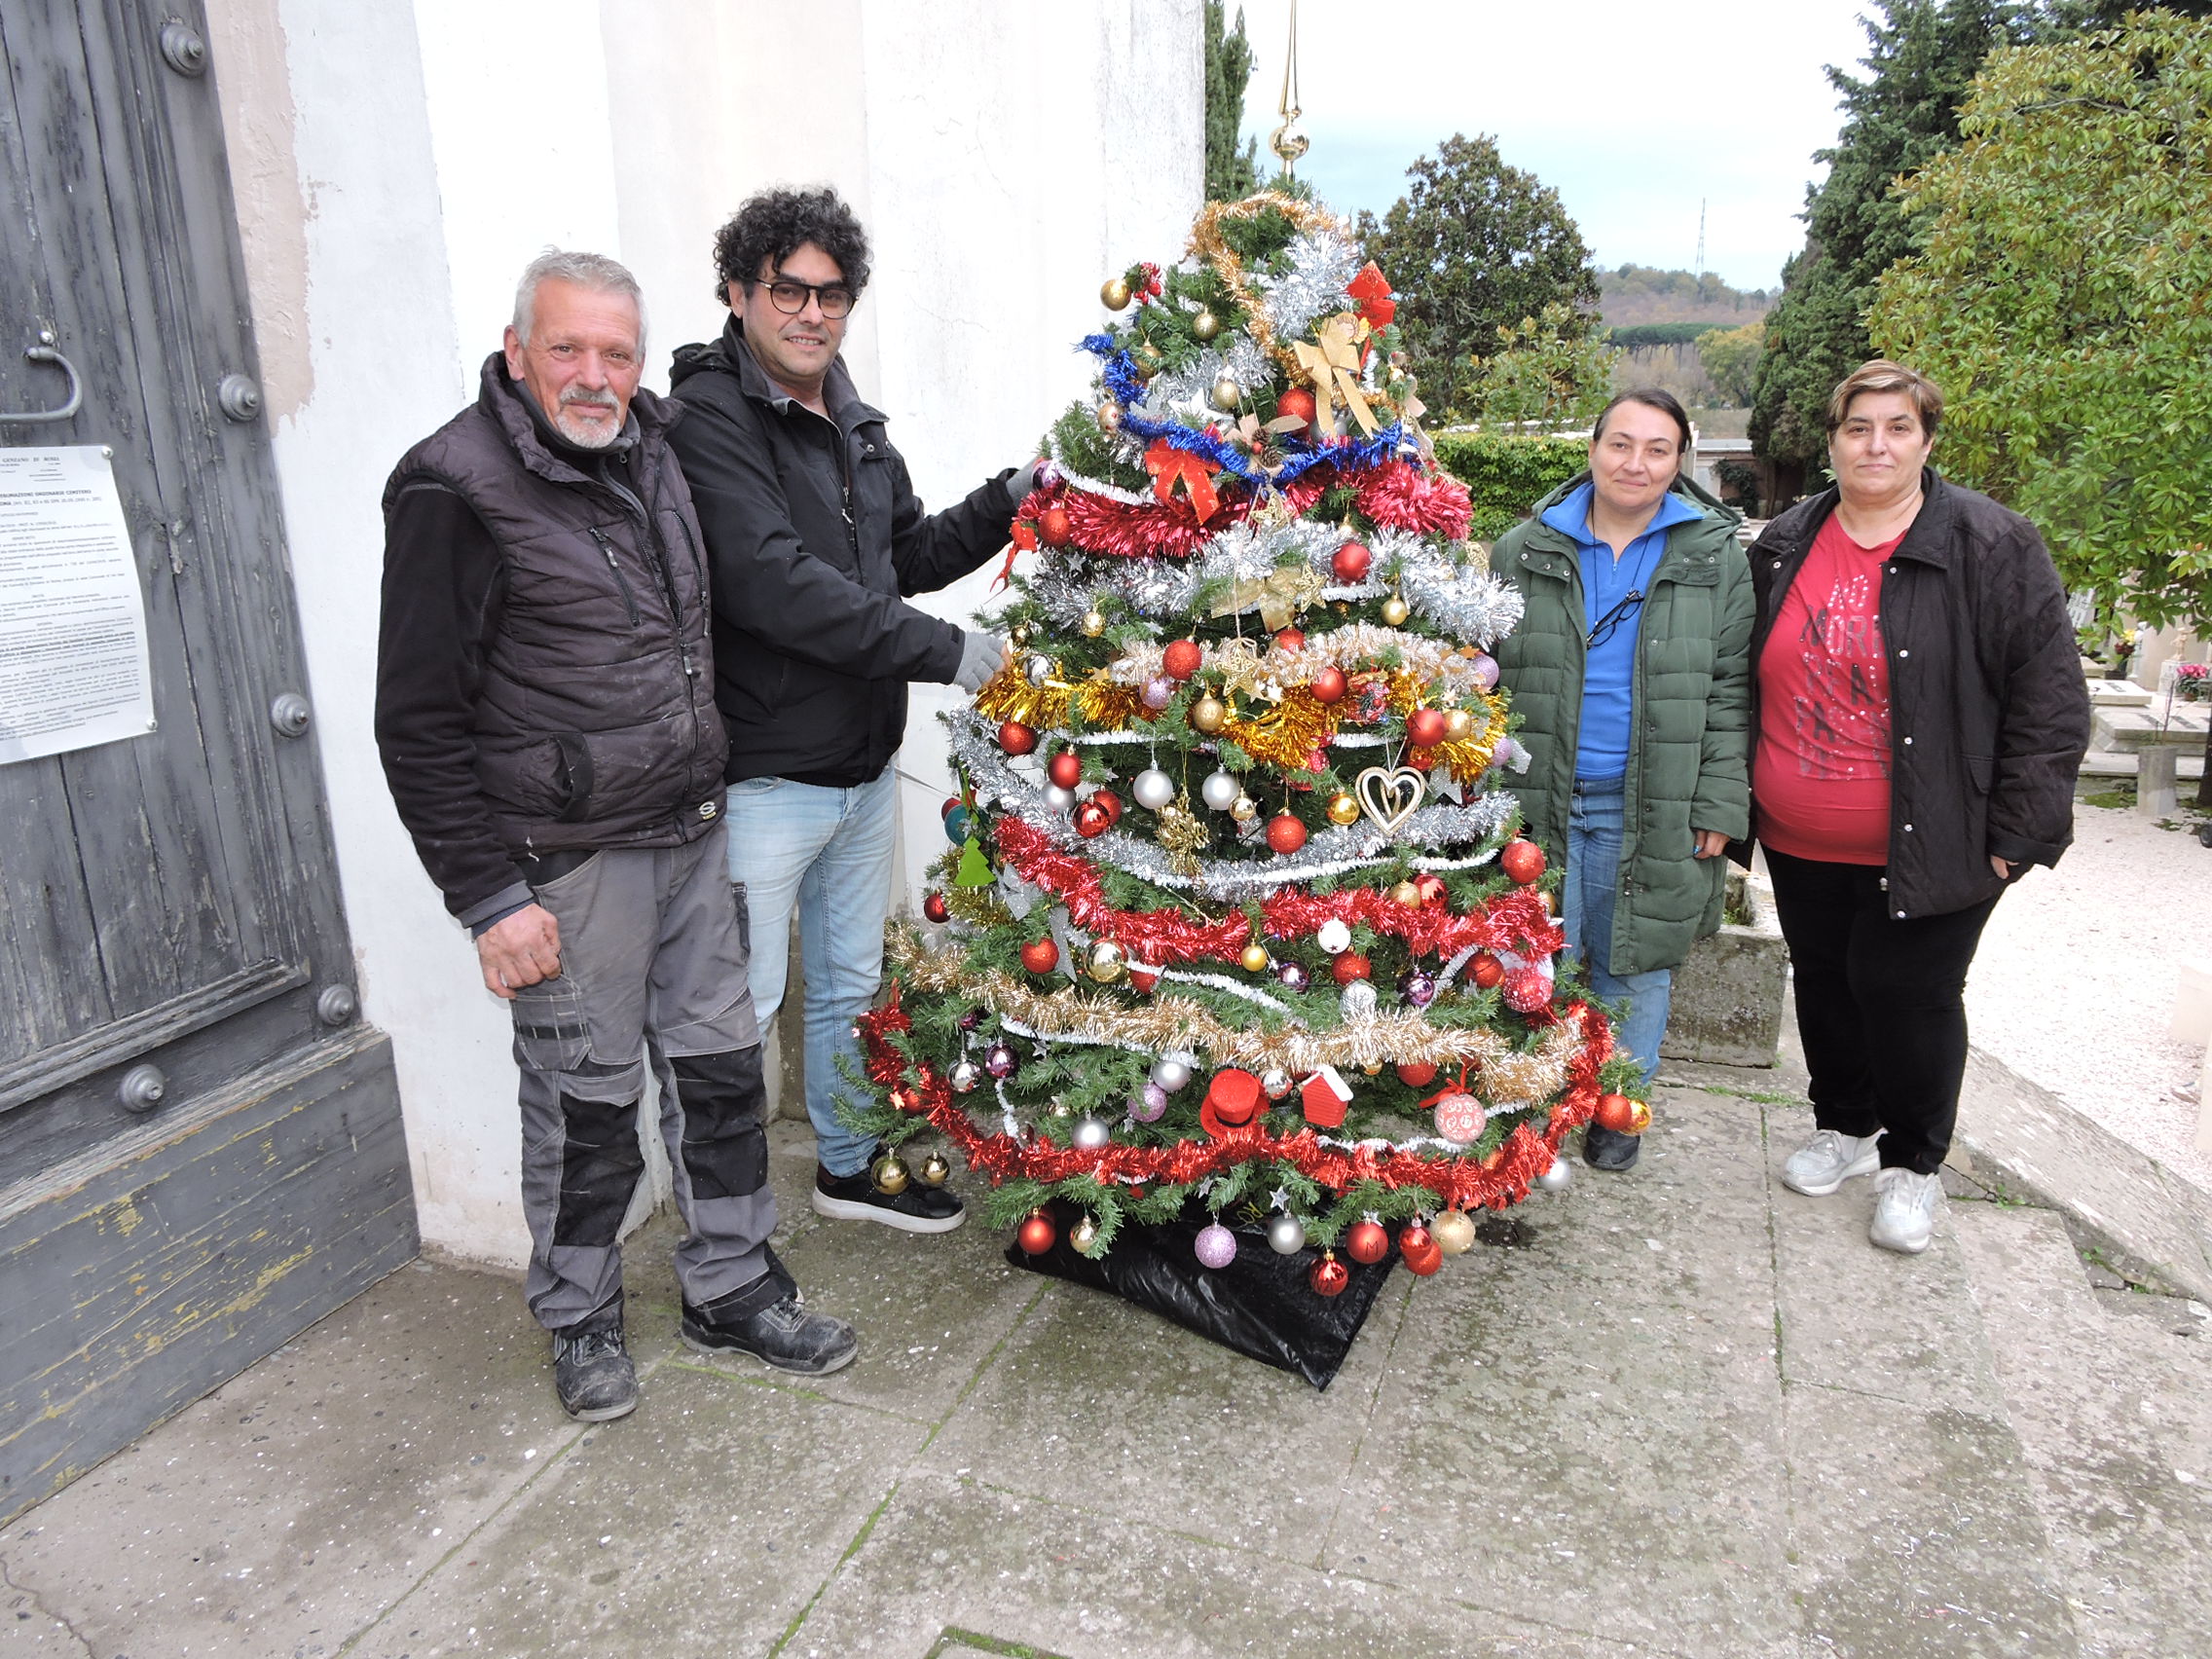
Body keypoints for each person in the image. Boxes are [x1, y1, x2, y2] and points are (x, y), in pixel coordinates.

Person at [376, 249, 857, 1421]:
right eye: (568, 349)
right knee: (586, 1106)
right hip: (568, 863)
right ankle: (581, 1313)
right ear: (516, 350)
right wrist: (490, 898)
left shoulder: (659, 446)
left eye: (617, 352)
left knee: (721, 1076)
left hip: (691, 834)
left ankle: (731, 1284)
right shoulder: (454, 486)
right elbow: (417, 717)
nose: (595, 376)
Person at [664, 188, 1034, 1234]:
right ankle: (721, 1237)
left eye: (833, 295)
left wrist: (1008, 498)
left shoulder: (850, 421)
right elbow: (774, 585)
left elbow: (900, 557)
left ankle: (846, 1162)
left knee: (850, 985)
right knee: (738, 1012)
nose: (812, 314)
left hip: (861, 771)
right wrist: (954, 656)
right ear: (739, 294)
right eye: (788, 290)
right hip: (765, 779)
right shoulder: (706, 420)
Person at [1750, 360, 2089, 1254]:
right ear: (1831, 441)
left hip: (1942, 834)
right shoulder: (1784, 541)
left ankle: (1911, 1166)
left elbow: (2049, 699)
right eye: (1858, 427)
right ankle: (1846, 1128)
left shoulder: (1992, 544)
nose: (1876, 444)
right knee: (1824, 982)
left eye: (1898, 427)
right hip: (1798, 832)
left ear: (1927, 440)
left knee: (1912, 994)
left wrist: (2024, 825)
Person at [1490, 390, 1754, 1172]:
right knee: (1530, 966)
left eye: (1658, 448)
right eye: (1621, 444)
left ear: (1681, 462)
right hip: (1537, 802)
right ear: (1594, 448)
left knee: (1634, 967)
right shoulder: (1524, 550)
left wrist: (1718, 803)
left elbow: (1733, 688)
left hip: (1653, 801)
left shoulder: (1712, 556)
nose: (1636, 463)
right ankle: (1528, 1108)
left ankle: (1618, 1114)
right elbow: (1485, 677)